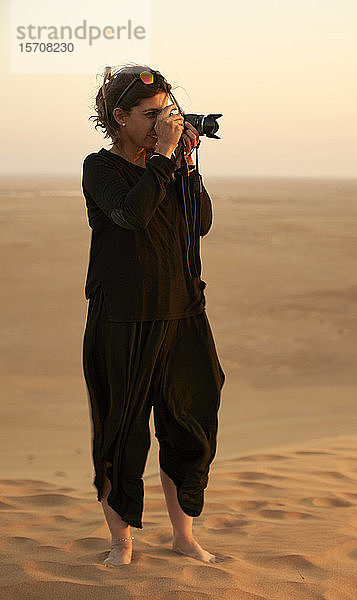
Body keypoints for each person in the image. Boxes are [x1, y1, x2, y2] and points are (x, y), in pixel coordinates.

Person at [81, 63, 226, 566]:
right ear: (120, 117)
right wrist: (164, 156)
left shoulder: (170, 165)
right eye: (150, 115)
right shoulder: (100, 169)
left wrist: (184, 162)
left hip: (182, 312)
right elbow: (131, 215)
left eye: (167, 112)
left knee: (187, 421)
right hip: (123, 317)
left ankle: (183, 537)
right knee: (121, 429)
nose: (162, 122)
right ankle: (121, 543)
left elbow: (200, 223)